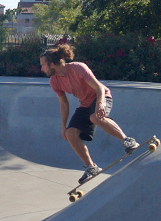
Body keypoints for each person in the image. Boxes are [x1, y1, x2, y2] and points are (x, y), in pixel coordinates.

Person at [40, 42, 140, 184]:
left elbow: (99, 87)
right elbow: (64, 103)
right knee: (70, 133)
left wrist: (100, 103)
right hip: (85, 104)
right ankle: (91, 167)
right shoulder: (54, 81)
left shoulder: (78, 68)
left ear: (52, 64)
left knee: (95, 117)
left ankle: (128, 141)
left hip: (101, 96)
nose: (41, 69)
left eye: (43, 65)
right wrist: (63, 125)